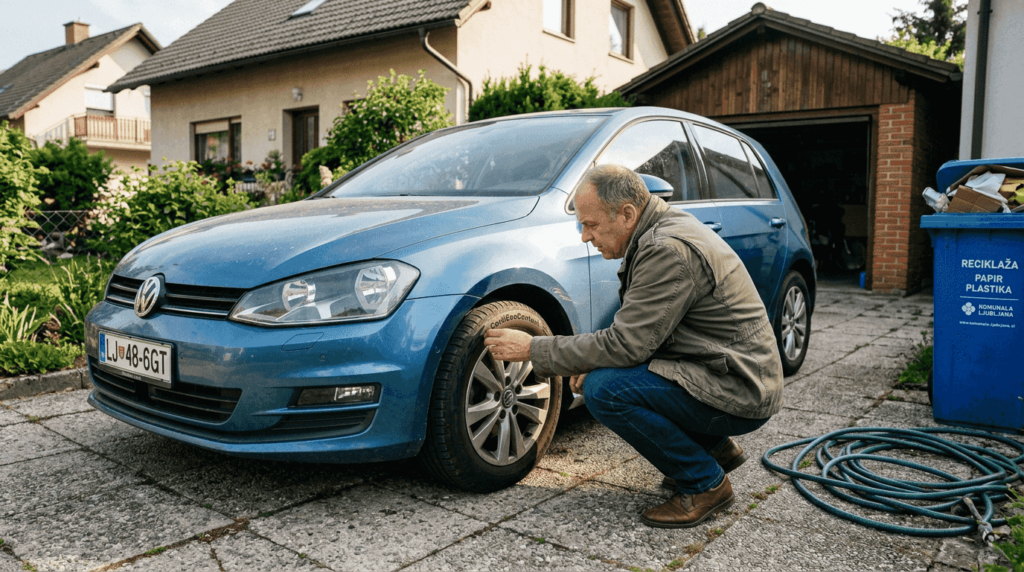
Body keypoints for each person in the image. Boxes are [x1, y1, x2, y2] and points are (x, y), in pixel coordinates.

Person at [484, 164, 783, 528]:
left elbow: (627, 345)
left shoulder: (666, 249)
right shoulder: (660, 228)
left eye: (590, 225)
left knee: (605, 390)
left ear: (627, 213)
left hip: (741, 388)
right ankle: (714, 447)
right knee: (606, 374)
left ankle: (705, 483)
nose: (584, 236)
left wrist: (535, 349)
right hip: (730, 371)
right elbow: (642, 330)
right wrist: (588, 358)